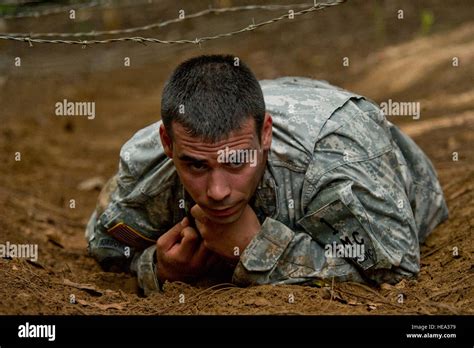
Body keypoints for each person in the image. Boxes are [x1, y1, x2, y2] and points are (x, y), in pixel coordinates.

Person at [85, 54, 448, 295]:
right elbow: (104, 242)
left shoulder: (336, 157)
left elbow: (397, 268)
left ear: (265, 135)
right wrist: (158, 268)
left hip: (391, 173)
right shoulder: (148, 161)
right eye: (196, 165)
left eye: (237, 160)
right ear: (168, 142)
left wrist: (261, 249)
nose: (217, 191)